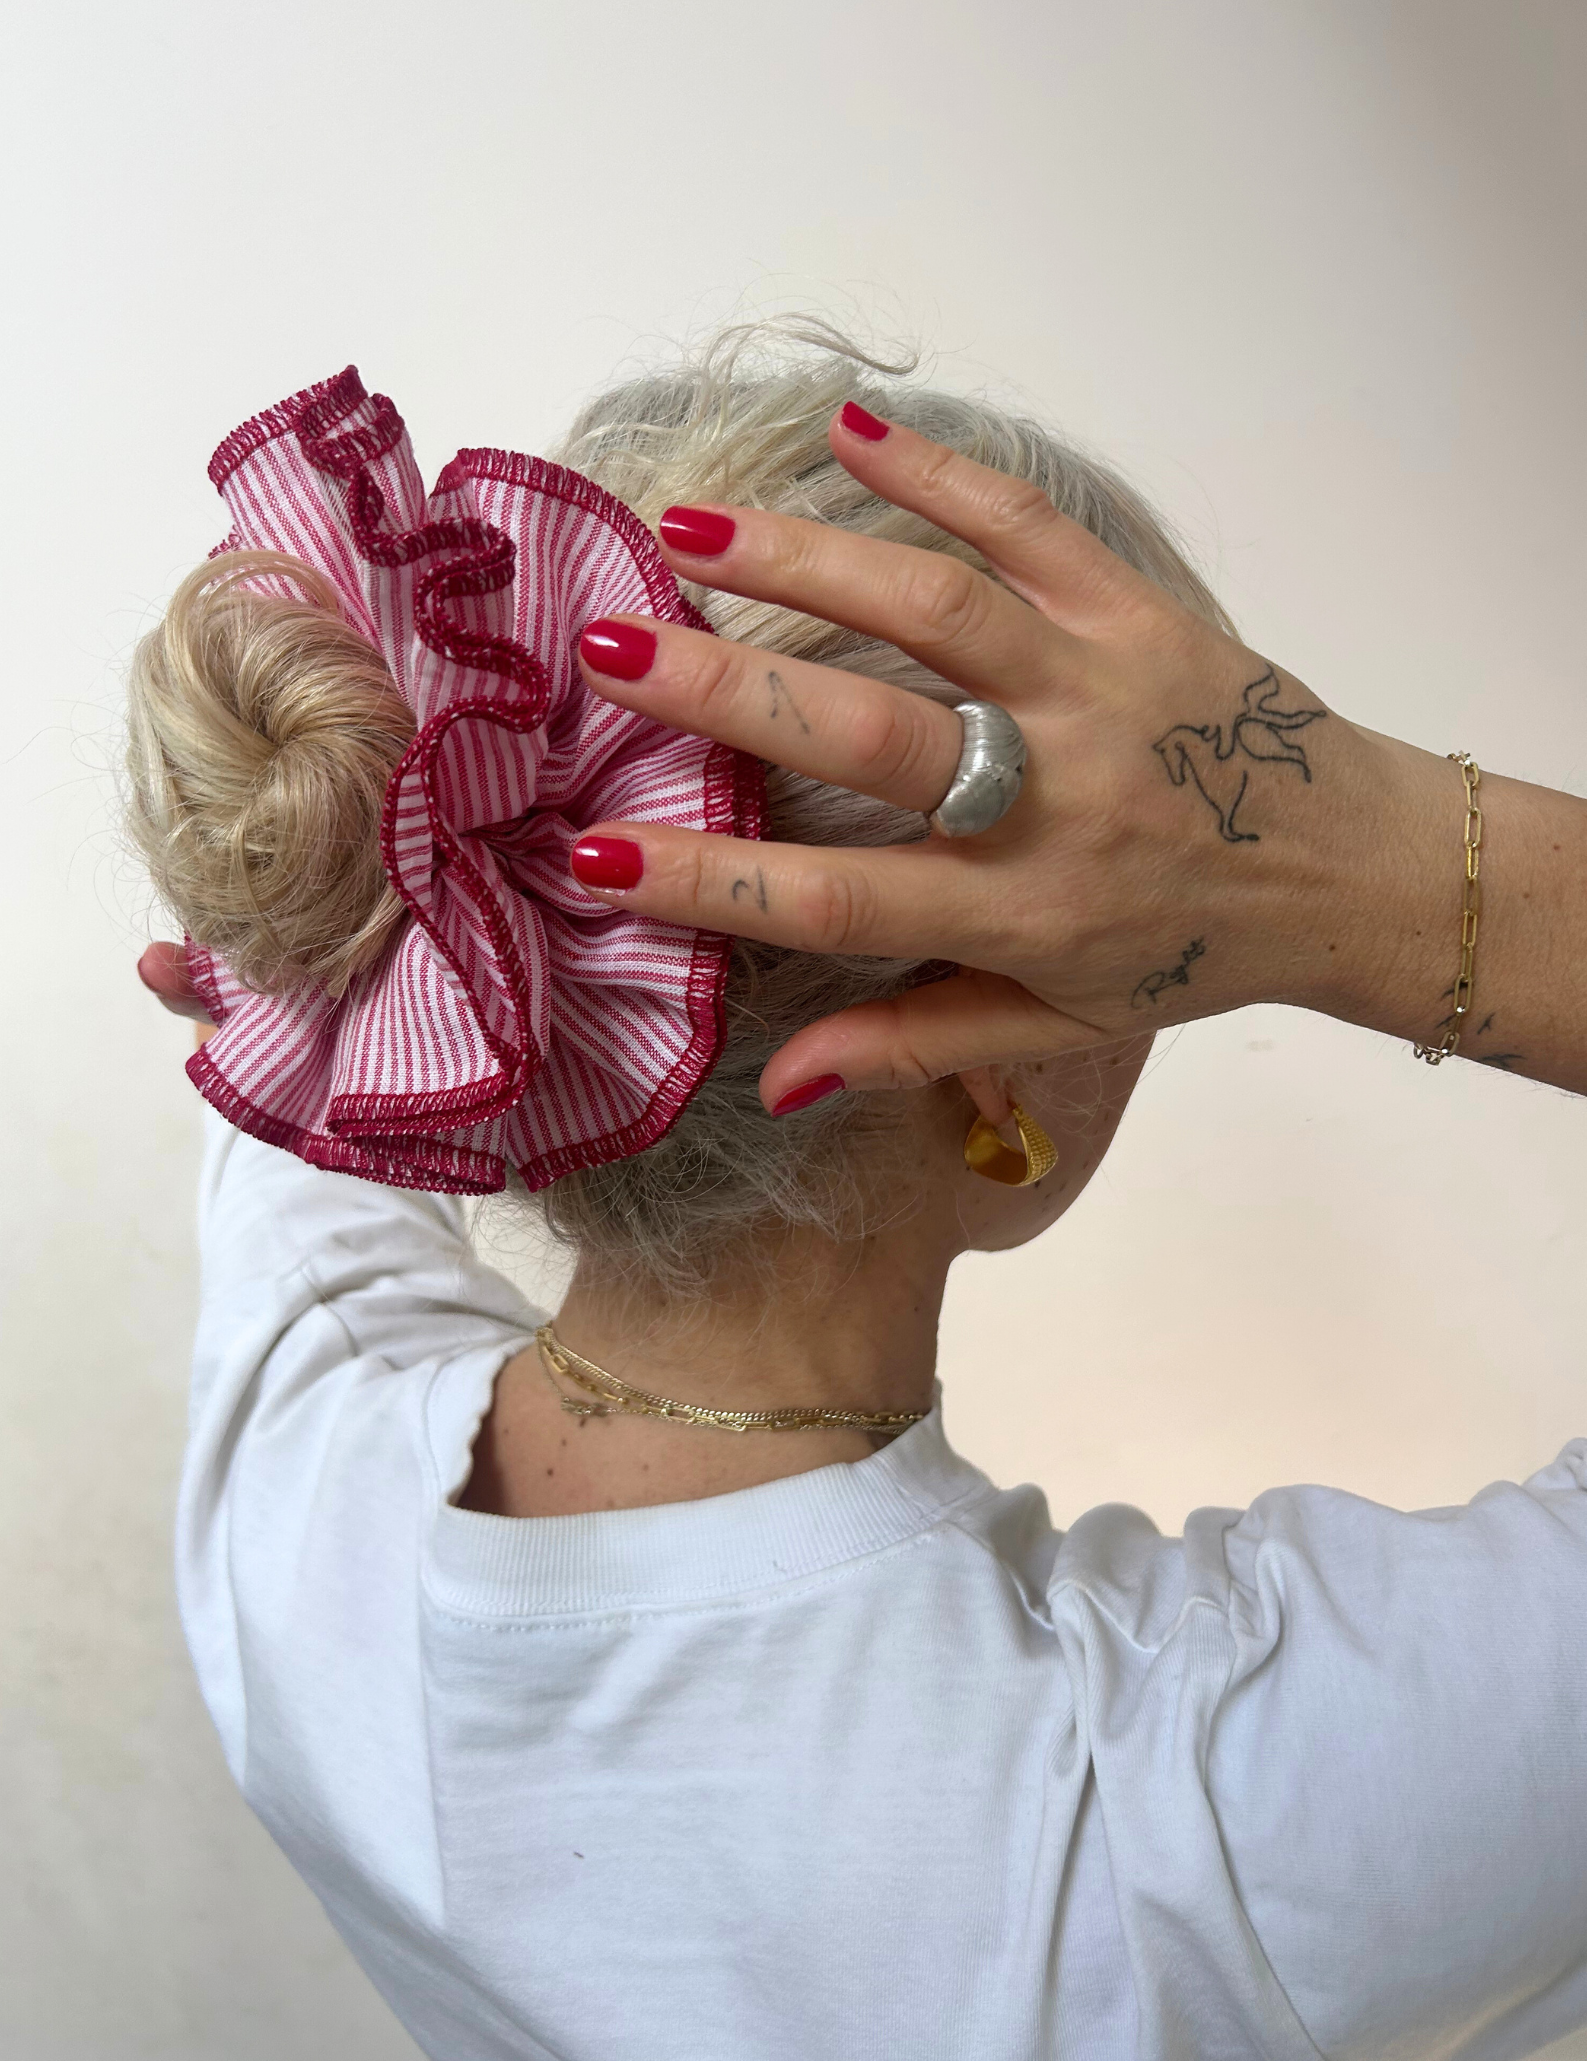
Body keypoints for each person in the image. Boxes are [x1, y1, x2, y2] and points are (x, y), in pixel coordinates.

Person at [130, 328, 1587, 2061]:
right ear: (987, 1062)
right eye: (1190, 944)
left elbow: (313, 1046)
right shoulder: (1202, 1821)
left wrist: (334, 889)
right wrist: (1367, 861)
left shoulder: (289, 1478)